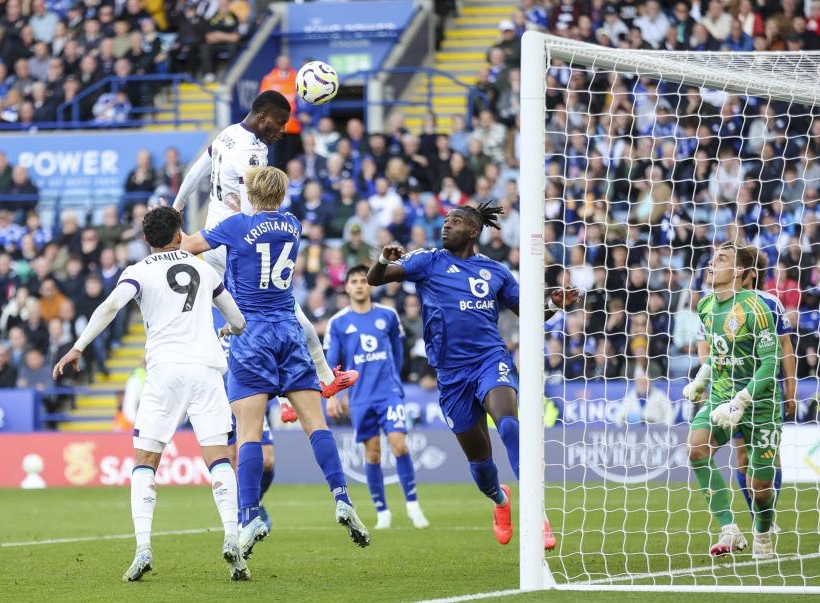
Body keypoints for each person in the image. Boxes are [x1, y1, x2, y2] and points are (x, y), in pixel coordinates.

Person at [181, 166, 371, 561]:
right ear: (283, 194)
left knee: (248, 433)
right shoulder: (292, 224)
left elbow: (188, 246)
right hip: (289, 329)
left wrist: (171, 218)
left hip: (250, 335)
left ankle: (249, 515)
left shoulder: (235, 225)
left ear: (249, 193)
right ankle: (342, 497)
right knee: (315, 424)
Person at [53, 206, 251, 582]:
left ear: (146, 240)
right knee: (219, 458)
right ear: (180, 234)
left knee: (145, 460)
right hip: (206, 371)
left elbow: (112, 305)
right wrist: (226, 332)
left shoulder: (138, 271)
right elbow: (238, 320)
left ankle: (143, 547)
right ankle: (231, 539)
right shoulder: (205, 270)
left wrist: (78, 346)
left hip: (163, 374)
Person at [367, 203, 571, 550]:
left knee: (508, 424)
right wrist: (384, 259)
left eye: (455, 222)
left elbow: (532, 314)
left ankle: (537, 514)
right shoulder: (429, 262)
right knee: (481, 465)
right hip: (451, 375)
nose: (446, 227)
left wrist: (555, 303)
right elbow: (375, 279)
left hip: (490, 360)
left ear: (473, 231)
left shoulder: (496, 272)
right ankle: (501, 502)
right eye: (445, 222)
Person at [172, 90, 359, 423]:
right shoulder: (253, 153)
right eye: (280, 122)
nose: (282, 130)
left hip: (215, 239)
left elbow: (197, 171)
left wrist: (178, 204)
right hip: (235, 246)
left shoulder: (227, 134)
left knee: (258, 322)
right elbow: (253, 206)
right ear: (262, 118)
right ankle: (320, 380)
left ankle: (296, 390)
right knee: (284, 309)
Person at [682, 244, 782, 559]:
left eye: (722, 259)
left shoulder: (757, 308)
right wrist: (701, 380)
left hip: (760, 402)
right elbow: (716, 353)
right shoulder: (707, 306)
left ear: (739, 271)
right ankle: (729, 529)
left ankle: (763, 533)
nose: (713, 263)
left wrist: (741, 401)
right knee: (696, 448)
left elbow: (771, 363)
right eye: (713, 259)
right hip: (721, 395)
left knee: (760, 487)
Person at [325, 265, 430, 530]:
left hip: (389, 393)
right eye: (354, 281)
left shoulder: (388, 315)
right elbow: (331, 363)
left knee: (400, 445)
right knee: (372, 454)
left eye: (363, 280)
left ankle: (413, 506)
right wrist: (333, 396)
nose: (360, 285)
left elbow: (397, 351)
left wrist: (393, 379)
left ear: (369, 285)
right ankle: (382, 511)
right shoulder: (338, 322)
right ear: (347, 287)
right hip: (360, 398)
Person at [214, 306, 278, 531]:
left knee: (268, 460)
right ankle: (244, 515)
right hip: (219, 399)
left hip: (249, 393)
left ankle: (255, 502)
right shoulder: (203, 312)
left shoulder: (246, 307)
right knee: (231, 458)